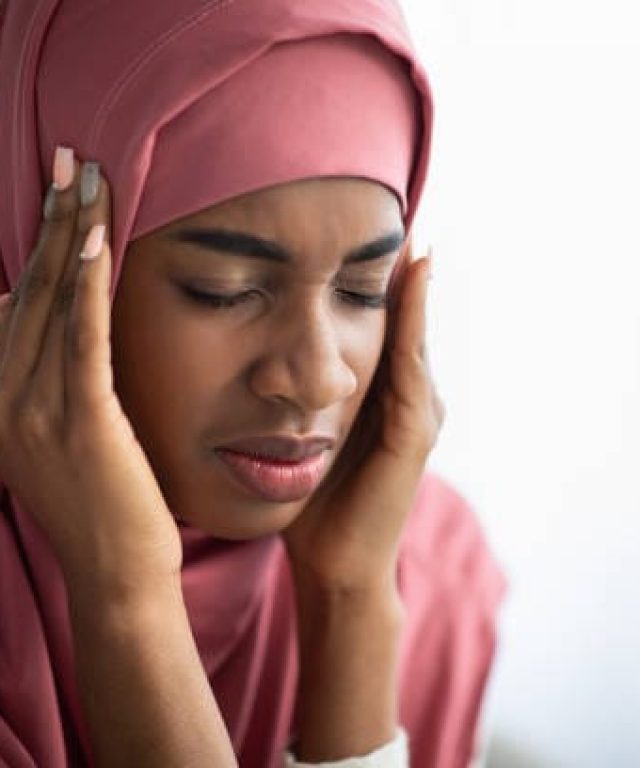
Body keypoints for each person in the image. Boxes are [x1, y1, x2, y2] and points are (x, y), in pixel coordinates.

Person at [0, 1, 507, 766]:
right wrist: (127, 599)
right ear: (45, 253)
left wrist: (349, 606)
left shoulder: (432, 578)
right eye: (225, 288)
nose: (316, 377)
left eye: (364, 289)